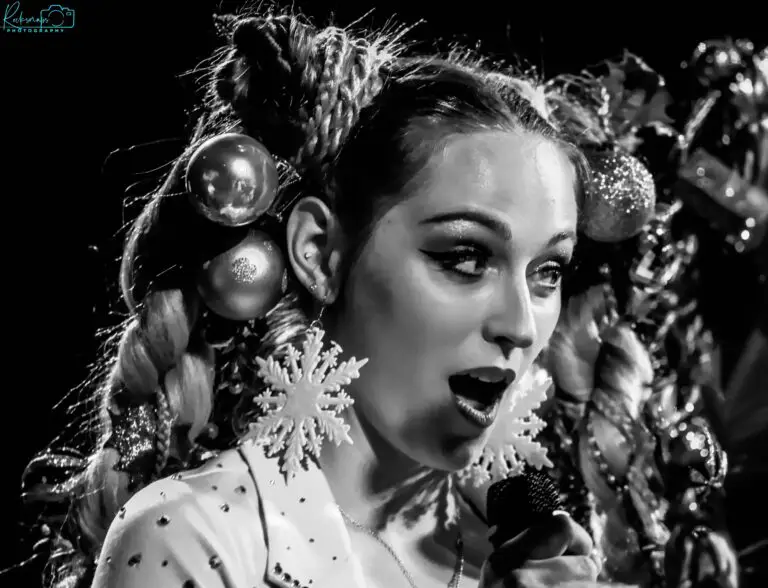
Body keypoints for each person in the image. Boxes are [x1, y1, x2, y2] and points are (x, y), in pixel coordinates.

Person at [24, 8, 605, 588]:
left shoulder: (533, 556)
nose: (522, 325)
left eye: (548, 271)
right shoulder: (194, 535)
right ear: (320, 253)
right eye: (465, 257)